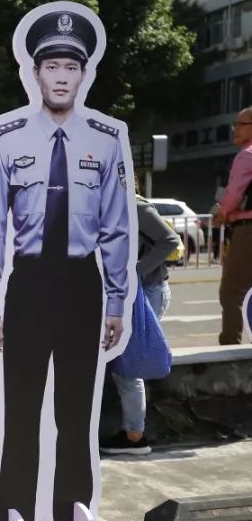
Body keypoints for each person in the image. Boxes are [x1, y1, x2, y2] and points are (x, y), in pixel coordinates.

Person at [0, 9, 130, 521]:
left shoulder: (107, 140)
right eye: (52, 67)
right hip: (30, 284)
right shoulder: (6, 138)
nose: (61, 77)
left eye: (71, 67)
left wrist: (116, 299)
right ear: (35, 73)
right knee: (20, 416)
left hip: (83, 285)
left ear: (84, 74)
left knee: (75, 417)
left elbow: (117, 226)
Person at [102, 195, 179, 455]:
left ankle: (135, 437)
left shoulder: (134, 205)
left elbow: (170, 240)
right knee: (123, 362)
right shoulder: (106, 204)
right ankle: (133, 434)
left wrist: (136, 270)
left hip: (147, 290)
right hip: (132, 292)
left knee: (129, 364)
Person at [213, 105, 252, 345]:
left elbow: (233, 195)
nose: (234, 129)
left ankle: (230, 344)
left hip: (247, 229)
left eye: (240, 124)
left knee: (232, 291)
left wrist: (222, 213)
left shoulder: (246, 155)